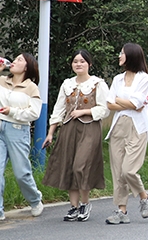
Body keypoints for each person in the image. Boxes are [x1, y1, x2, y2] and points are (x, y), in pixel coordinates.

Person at [42, 50, 110, 222]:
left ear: (89, 64)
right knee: (69, 166)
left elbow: (105, 109)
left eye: (82, 61)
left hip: (90, 128)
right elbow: (58, 109)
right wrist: (50, 133)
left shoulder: (98, 83)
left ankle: (85, 203)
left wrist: (84, 111)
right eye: (75, 61)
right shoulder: (67, 84)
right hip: (68, 129)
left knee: (81, 165)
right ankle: (73, 206)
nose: (78, 64)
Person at [104, 43, 148, 224]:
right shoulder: (117, 79)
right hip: (118, 126)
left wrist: (121, 100)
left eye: (122, 53)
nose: (119, 56)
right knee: (118, 171)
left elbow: (138, 104)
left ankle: (144, 196)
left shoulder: (144, 79)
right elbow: (109, 104)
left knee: (128, 170)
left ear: (131, 56)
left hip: (138, 127)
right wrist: (128, 103)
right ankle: (121, 211)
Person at [0, 53, 44, 221]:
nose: (14, 61)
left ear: (27, 67)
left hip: (18, 130)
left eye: (19, 60)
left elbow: (34, 112)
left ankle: (35, 200)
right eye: (15, 59)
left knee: (21, 173)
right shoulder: (3, 80)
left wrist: (13, 112)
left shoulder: (31, 87)